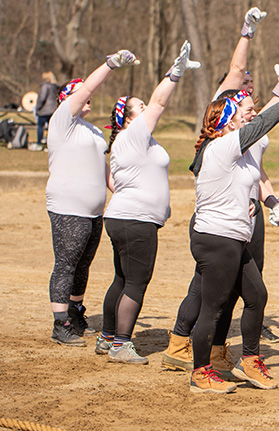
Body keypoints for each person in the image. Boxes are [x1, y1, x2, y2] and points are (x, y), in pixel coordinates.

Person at [161, 7, 279, 376]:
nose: (249, 87)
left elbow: (257, 170)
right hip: (218, 220)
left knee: (241, 286)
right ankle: (185, 344)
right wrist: (246, 33)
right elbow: (235, 72)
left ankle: (214, 350)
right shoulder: (224, 128)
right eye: (243, 87)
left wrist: (271, 199)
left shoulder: (248, 127)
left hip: (244, 211)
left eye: (250, 86)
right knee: (208, 287)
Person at [186, 66, 279, 393]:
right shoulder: (223, 145)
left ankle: (250, 361)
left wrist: (259, 201)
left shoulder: (238, 152)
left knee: (256, 295)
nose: (250, 116)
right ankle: (201, 373)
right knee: (213, 308)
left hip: (233, 238)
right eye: (244, 113)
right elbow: (264, 121)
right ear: (230, 121)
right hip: (217, 240)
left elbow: (259, 130)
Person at [97, 41, 199, 364]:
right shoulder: (134, 135)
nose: (146, 110)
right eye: (138, 108)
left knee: (122, 280)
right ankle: (120, 344)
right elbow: (158, 101)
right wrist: (174, 74)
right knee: (136, 282)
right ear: (129, 118)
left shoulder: (132, 141)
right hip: (135, 220)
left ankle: (107, 337)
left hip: (126, 217)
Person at [45, 51, 136, 347]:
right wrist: (109, 65)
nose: (89, 96)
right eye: (82, 92)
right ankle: (60, 324)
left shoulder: (93, 131)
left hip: (95, 210)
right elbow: (87, 88)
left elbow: (103, 167)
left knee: (83, 264)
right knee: (66, 264)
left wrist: (122, 191)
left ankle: (75, 311)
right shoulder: (62, 121)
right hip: (68, 208)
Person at [36, 71, 58, 145]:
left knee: (40, 126)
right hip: (53, 110)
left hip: (44, 110)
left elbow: (42, 98)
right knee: (51, 128)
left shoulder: (45, 86)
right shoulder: (55, 87)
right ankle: (52, 143)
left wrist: (38, 107)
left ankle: (39, 142)